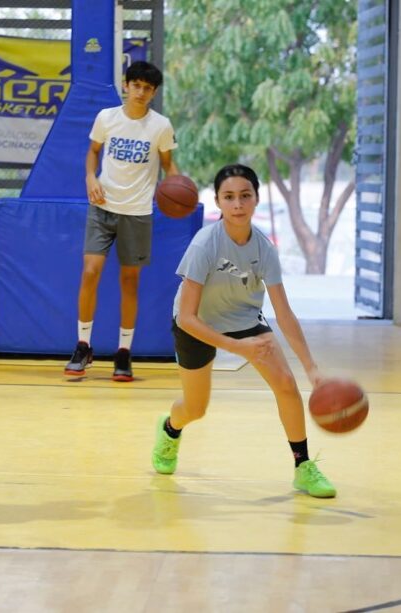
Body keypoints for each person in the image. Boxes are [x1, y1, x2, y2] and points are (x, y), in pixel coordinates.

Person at [151, 164, 337, 498]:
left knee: (287, 386)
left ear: (256, 199)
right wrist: (239, 349)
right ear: (219, 202)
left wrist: (312, 368)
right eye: (229, 197)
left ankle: (303, 466)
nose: (238, 204)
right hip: (198, 325)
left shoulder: (264, 249)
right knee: (195, 408)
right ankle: (169, 428)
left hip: (246, 318)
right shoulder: (204, 245)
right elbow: (188, 318)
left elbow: (284, 313)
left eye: (245, 196)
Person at [65, 60, 179, 381]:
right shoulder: (106, 118)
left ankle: (123, 352)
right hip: (103, 206)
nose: (141, 92)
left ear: (153, 92)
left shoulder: (161, 126)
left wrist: (178, 187)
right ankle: (83, 345)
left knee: (130, 282)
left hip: (138, 211)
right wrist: (90, 177)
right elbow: (92, 152)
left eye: (148, 88)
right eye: (136, 85)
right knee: (90, 271)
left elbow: (169, 165)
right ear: (126, 86)